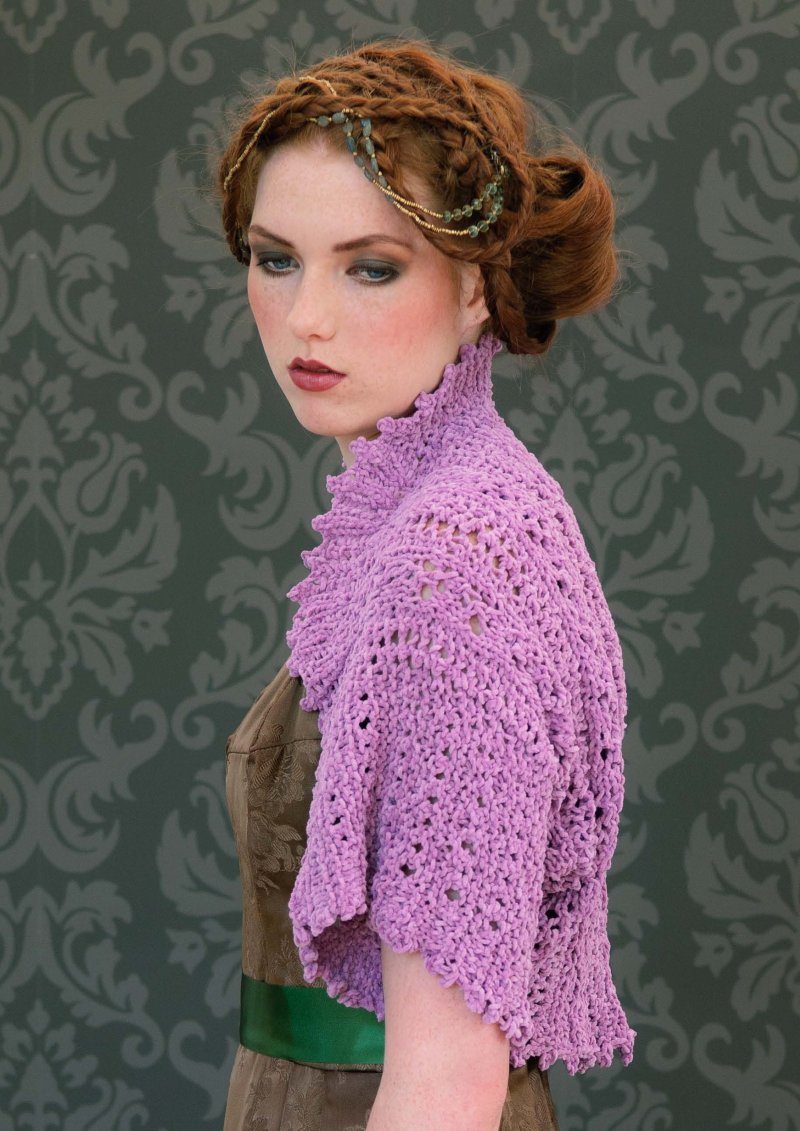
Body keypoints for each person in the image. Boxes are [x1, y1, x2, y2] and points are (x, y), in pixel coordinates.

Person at [216, 37, 636, 1131]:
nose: (306, 317)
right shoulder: (435, 507)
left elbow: (446, 1081)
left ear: (476, 289)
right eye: (274, 259)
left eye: (370, 267)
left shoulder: (451, 559)